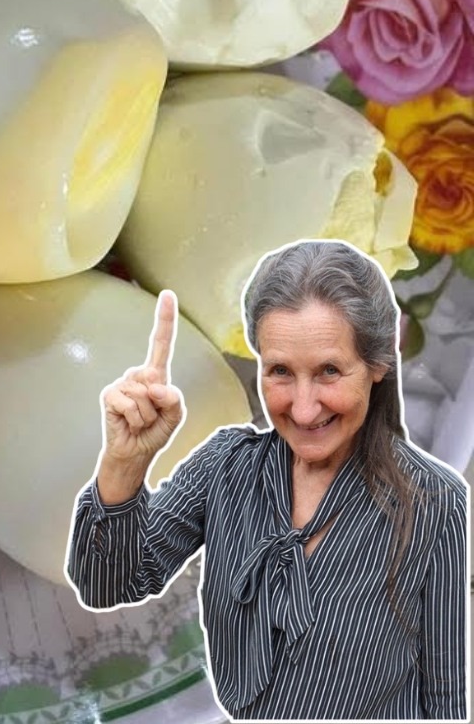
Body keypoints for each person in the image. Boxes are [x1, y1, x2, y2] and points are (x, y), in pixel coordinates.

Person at [65, 239, 469, 722]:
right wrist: (124, 464)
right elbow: (107, 585)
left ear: (377, 366)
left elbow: (445, 690)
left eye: (329, 371)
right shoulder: (225, 467)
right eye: (280, 371)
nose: (303, 408)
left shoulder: (434, 502)